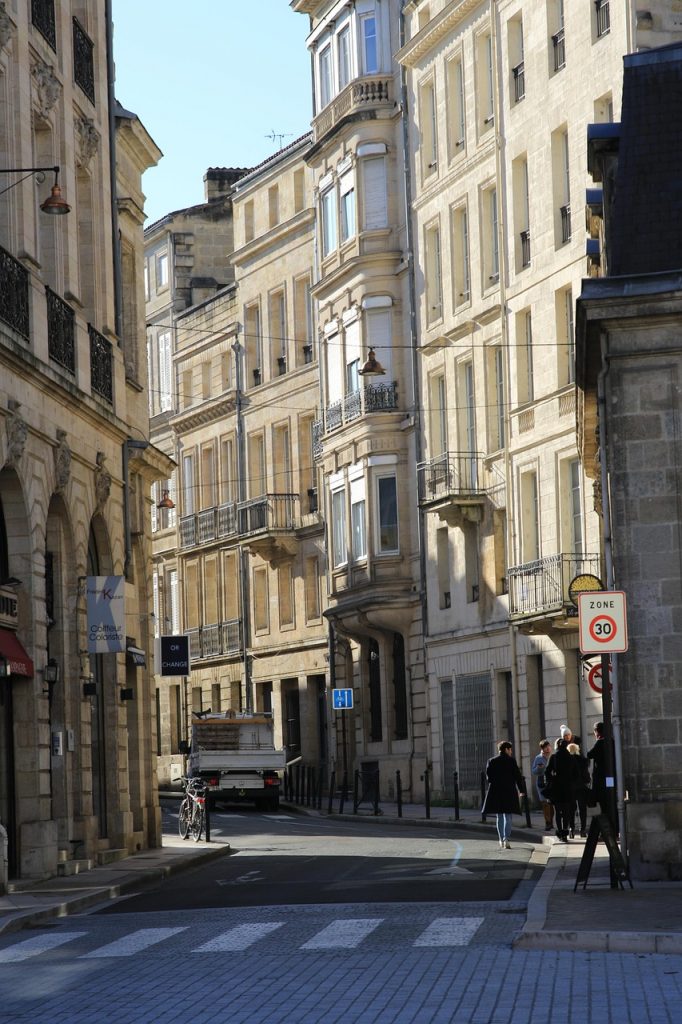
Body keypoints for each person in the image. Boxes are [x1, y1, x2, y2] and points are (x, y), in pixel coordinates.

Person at [481, 740, 524, 850]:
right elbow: (518, 776)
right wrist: (522, 790)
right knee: (508, 816)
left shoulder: (491, 761)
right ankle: (506, 839)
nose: (511, 752)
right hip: (509, 791)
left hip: (496, 791)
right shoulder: (511, 761)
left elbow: (489, 778)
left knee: (499, 816)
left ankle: (500, 839)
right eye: (510, 750)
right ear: (506, 749)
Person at [545, 737, 581, 842]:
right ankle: (565, 833)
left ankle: (560, 832)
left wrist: (552, 779)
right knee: (566, 812)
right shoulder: (571, 758)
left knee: (558, 811)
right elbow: (576, 774)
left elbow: (547, 772)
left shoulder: (554, 757)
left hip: (557, 787)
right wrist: (572, 783)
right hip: (568, 788)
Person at [566, 741, 590, 837]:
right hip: (581, 787)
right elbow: (586, 775)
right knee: (582, 809)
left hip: (571, 787)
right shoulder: (582, 760)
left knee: (571, 809)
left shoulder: (567, 761)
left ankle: (571, 829)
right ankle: (583, 830)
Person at [531, 739, 554, 832]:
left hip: (551, 782)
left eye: (549, 746)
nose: (548, 748)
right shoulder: (538, 758)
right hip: (542, 782)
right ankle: (547, 823)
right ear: (542, 749)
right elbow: (534, 771)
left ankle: (551, 822)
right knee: (545, 803)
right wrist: (539, 768)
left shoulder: (553, 756)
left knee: (551, 803)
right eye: (545, 747)